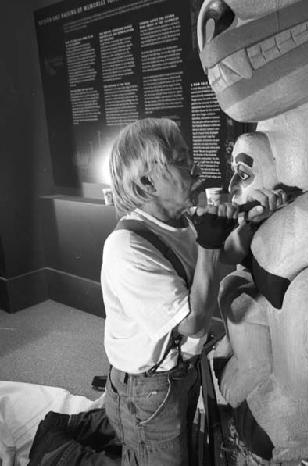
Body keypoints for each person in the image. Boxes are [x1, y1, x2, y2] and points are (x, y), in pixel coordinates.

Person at [102, 118, 286, 466]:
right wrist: (209, 243)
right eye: (182, 160)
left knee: (186, 448)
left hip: (178, 372)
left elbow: (222, 258)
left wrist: (251, 225)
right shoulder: (126, 248)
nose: (195, 168)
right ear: (147, 181)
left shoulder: (179, 221)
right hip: (147, 388)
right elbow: (191, 321)